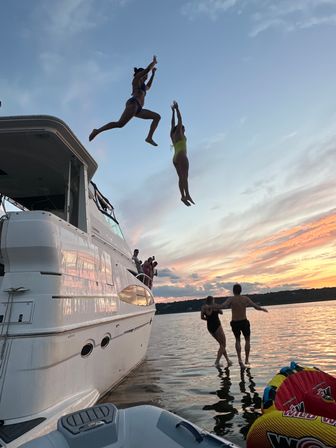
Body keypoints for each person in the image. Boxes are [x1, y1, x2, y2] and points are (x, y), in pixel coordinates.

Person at [89, 55, 161, 146]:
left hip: (139, 109)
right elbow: (147, 70)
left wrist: (153, 74)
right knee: (119, 124)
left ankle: (149, 137)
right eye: (145, 74)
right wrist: (154, 63)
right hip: (133, 103)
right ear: (140, 73)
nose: (147, 75)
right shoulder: (136, 80)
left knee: (157, 117)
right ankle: (97, 131)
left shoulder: (143, 86)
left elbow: (148, 87)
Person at [222, 284, 268, 369]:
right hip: (244, 321)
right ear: (240, 290)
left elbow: (223, 306)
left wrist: (213, 307)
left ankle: (240, 359)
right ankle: (246, 359)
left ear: (233, 291)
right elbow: (255, 306)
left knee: (237, 340)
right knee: (247, 340)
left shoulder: (231, 299)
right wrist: (262, 309)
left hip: (235, 322)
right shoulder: (245, 299)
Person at [170, 101, 194, 206]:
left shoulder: (172, 135)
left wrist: (172, 113)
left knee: (181, 178)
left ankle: (183, 196)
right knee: (185, 177)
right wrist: (177, 109)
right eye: (183, 128)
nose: (184, 129)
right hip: (181, 155)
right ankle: (187, 194)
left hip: (175, 158)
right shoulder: (179, 132)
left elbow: (172, 123)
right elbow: (179, 120)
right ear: (181, 128)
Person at [201, 296, 232, 368]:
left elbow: (202, 317)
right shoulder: (215, 306)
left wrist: (208, 320)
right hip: (217, 325)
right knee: (223, 344)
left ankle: (228, 360)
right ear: (212, 300)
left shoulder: (203, 307)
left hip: (210, 327)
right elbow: (221, 312)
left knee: (221, 344)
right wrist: (217, 309)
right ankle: (217, 362)